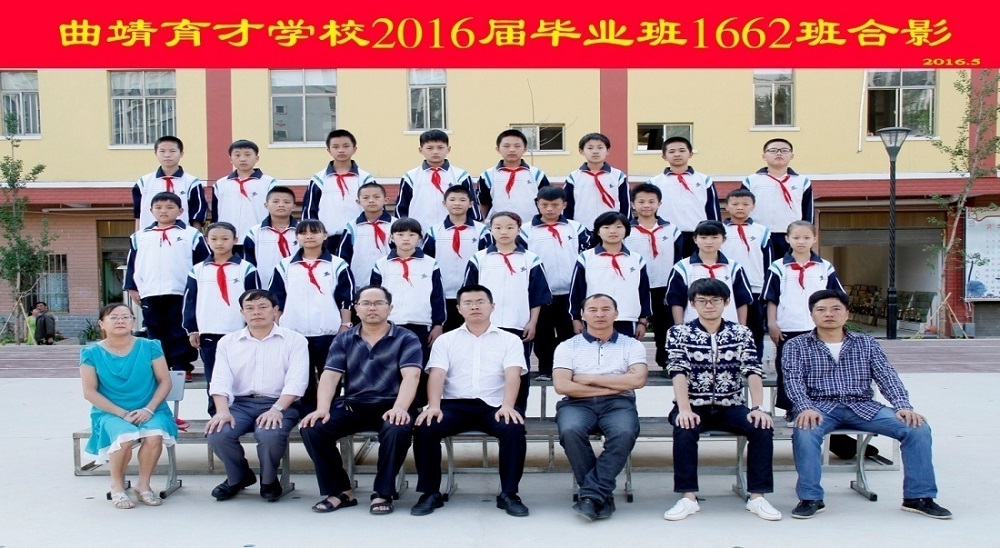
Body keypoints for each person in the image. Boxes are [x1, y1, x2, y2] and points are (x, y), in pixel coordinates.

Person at [783, 290, 952, 520]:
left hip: (862, 406)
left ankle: (919, 497)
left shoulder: (866, 343)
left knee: (917, 428)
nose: (829, 314)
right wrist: (804, 407)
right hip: (819, 407)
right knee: (805, 431)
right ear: (812, 315)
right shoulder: (796, 345)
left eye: (835, 309)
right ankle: (810, 498)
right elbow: (792, 380)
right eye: (821, 310)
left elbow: (887, 376)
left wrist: (902, 405)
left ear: (847, 314)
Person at [663, 278, 781, 522]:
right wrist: (684, 408)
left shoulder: (741, 332)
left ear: (726, 302)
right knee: (684, 428)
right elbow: (677, 371)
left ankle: (757, 496)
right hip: (693, 405)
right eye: (702, 301)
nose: (709, 306)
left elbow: (752, 370)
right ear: (692, 304)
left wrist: (758, 408)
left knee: (761, 426)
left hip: (732, 405)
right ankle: (688, 497)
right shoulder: (679, 332)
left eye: (715, 300)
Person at [299, 286, 424, 515]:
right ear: (356, 308)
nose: (372, 308)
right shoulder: (344, 339)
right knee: (313, 427)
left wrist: (400, 408)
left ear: (390, 308)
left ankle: (383, 492)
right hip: (354, 405)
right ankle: (340, 491)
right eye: (365, 303)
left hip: (393, 404)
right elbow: (330, 376)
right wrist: (322, 408)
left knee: (397, 427)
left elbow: (412, 376)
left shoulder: (406, 338)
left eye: (378, 303)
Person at [410, 285, 529, 517]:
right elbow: (437, 375)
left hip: (494, 406)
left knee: (513, 427)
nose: (475, 307)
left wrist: (508, 406)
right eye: (468, 303)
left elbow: (513, 375)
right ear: (458, 308)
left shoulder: (510, 340)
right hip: (454, 405)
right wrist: (433, 406)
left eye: (480, 302)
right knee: (426, 426)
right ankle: (430, 493)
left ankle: (509, 494)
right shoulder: (445, 340)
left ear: (492, 306)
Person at [204, 289, 309, 502]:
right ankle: (238, 476)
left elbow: (297, 381)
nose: (256, 312)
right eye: (250, 308)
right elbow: (220, 380)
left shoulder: (295, 340)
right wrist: (222, 411)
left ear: (275, 310)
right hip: (240, 404)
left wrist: (277, 409)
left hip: (280, 403)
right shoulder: (228, 342)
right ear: (242, 312)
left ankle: (269, 480)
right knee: (218, 433)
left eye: (263, 307)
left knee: (269, 434)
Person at [553, 294, 647, 521]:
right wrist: (615, 384)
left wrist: (590, 379)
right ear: (583, 315)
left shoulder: (631, 345)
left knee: (624, 432)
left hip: (618, 404)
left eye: (606, 309)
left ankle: (591, 496)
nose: (599, 314)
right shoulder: (568, 346)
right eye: (593, 310)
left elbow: (638, 380)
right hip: (576, 403)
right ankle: (599, 495)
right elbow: (562, 386)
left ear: (616, 314)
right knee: (570, 430)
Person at [80, 303, 178, 509]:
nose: (120, 321)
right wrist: (122, 413)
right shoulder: (91, 353)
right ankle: (117, 486)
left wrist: (148, 409)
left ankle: (143, 485)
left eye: (126, 316)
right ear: (101, 324)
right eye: (114, 317)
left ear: (134, 321)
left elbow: (165, 382)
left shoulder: (150, 346)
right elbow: (90, 392)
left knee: (154, 435)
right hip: (111, 412)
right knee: (124, 437)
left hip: (151, 409)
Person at [465, 211, 552, 411]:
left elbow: (537, 294)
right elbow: (468, 294)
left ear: (519, 230)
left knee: (518, 371)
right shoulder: (479, 259)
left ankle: (517, 412)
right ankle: (488, 413)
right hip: (486, 326)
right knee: (486, 370)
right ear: (490, 230)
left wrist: (532, 322)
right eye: (498, 227)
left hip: (518, 325)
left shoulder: (531, 259)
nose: (504, 232)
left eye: (510, 227)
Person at [268, 219, 355, 412]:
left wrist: (345, 325)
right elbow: (277, 298)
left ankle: (329, 412)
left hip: (328, 331)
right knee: (301, 376)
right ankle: (306, 414)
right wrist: (278, 326)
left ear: (324, 235)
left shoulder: (337, 264)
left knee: (329, 374)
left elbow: (345, 297)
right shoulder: (284, 265)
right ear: (296, 237)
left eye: (314, 232)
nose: (309, 236)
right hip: (294, 332)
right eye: (303, 233)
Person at [124, 192, 210, 382]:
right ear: (151, 211)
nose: (164, 211)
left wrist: (200, 288)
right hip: (150, 291)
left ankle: (181, 366)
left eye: (170, 207)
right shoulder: (140, 236)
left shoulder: (191, 234)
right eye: (159, 207)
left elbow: (203, 262)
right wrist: (132, 287)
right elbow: (132, 264)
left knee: (180, 329)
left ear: (180, 210)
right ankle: (160, 366)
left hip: (181, 291)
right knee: (155, 330)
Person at [762, 221, 844, 415]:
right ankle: (792, 409)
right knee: (789, 369)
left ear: (814, 239)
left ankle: (819, 406)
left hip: (818, 328)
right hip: (788, 327)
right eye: (796, 237)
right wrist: (772, 324)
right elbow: (771, 298)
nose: (801, 241)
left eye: (806, 237)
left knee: (819, 367)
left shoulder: (824, 267)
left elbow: (837, 297)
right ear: (787, 239)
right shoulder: (778, 267)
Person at [182, 222, 259, 415]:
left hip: (239, 331)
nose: (219, 243)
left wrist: (254, 328)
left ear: (235, 240)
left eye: (225, 238)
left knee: (243, 375)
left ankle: (242, 413)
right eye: (214, 239)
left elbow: (255, 300)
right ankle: (216, 414)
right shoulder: (198, 270)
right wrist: (192, 329)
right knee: (214, 376)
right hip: (209, 331)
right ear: (206, 240)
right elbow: (190, 300)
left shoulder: (246, 269)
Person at [525, 186, 592, 381]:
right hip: (541, 293)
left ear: (564, 205)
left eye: (555, 205)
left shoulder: (576, 228)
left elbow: (587, 255)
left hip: (570, 292)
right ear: (537, 204)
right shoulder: (526, 231)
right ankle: (546, 369)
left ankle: (568, 369)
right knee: (543, 333)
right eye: (544, 205)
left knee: (569, 332)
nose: (549, 209)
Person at [623, 183, 683, 371]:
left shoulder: (672, 230)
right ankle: (628, 364)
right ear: (633, 204)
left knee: (665, 325)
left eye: (651, 201)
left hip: (664, 285)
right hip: (635, 286)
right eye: (641, 201)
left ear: (659, 204)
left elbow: (679, 258)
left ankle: (667, 363)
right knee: (630, 325)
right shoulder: (625, 229)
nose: (646, 205)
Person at [370, 218, 446, 365]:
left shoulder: (431, 264)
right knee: (389, 367)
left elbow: (437, 296)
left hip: (421, 324)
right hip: (389, 324)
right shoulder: (381, 264)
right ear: (392, 237)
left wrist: (438, 325)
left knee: (418, 366)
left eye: (412, 235)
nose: (406, 238)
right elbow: (374, 296)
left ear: (420, 238)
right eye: (400, 234)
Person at [569, 211, 651, 339]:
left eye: (618, 227)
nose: (612, 231)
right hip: (594, 318)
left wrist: (643, 320)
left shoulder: (636, 259)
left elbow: (644, 291)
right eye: (606, 227)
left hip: (627, 317)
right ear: (598, 231)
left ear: (626, 231)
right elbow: (577, 290)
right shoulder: (586, 258)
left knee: (625, 351)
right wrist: (576, 318)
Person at [422, 185, 490, 332]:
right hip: (442, 293)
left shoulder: (481, 231)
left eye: (462, 200)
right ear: (444, 203)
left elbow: (487, 260)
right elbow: (426, 261)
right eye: (452, 199)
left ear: (471, 204)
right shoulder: (434, 231)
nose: (457, 203)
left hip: (473, 295)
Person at [666, 220, 753, 326]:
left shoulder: (734, 267)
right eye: (703, 237)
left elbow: (742, 299)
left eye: (714, 237)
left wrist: (742, 327)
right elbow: (676, 300)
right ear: (695, 239)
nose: (709, 242)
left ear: (723, 239)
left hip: (729, 327)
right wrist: (679, 327)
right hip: (692, 327)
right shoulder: (682, 268)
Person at [303, 129, 376, 254]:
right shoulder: (319, 179)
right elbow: (310, 210)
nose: (341, 150)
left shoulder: (365, 179)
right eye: (335, 147)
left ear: (354, 149)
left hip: (359, 237)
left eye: (346, 146)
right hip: (328, 239)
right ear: (329, 150)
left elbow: (376, 207)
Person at [720, 188, 772, 361]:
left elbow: (768, 261)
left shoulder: (762, 231)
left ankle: (754, 363)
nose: (740, 207)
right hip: (725, 287)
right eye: (735, 204)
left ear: (753, 206)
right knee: (726, 327)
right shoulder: (719, 230)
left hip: (755, 286)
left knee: (754, 328)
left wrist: (766, 289)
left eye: (745, 204)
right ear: (727, 206)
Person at [646, 136, 720, 257]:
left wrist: (716, 231)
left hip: (698, 234)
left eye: (682, 150)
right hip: (666, 234)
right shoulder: (654, 182)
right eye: (671, 151)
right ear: (664, 156)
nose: (677, 154)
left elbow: (712, 209)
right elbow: (649, 210)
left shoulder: (704, 180)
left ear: (690, 154)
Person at [395, 129, 481, 232]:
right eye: (429, 148)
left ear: (448, 149)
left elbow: (472, 205)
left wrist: (473, 228)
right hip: (419, 232)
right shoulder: (411, 177)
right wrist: (404, 230)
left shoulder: (460, 176)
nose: (435, 152)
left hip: (453, 231)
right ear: (420, 150)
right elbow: (402, 207)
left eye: (440, 147)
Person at [740, 138, 813, 258]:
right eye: (773, 150)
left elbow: (807, 210)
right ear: (764, 156)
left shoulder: (802, 181)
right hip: (758, 234)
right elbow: (741, 208)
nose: (779, 153)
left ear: (792, 155)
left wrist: (805, 234)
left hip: (791, 235)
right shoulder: (751, 181)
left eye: (784, 150)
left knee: (788, 267)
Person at [210, 139, 276, 252]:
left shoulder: (269, 183)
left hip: (259, 239)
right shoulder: (220, 184)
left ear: (257, 158)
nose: (242, 159)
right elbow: (215, 214)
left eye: (247, 154)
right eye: (237, 155)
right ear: (230, 159)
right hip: (228, 240)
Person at [132, 135, 206, 231]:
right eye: (162, 151)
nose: (167, 155)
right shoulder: (144, 182)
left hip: (182, 235)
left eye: (172, 151)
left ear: (181, 153)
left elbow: (197, 214)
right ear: (156, 153)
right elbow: (138, 213)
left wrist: (196, 236)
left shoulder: (191, 182)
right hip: (150, 234)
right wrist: (137, 236)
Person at [477, 128, 551, 222]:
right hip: (498, 227)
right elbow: (483, 203)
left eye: (517, 146)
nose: (512, 150)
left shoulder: (537, 174)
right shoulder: (488, 175)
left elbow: (547, 201)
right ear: (498, 149)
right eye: (506, 146)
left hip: (530, 225)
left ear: (525, 149)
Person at [563, 133, 630, 230]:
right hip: (582, 230)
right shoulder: (573, 177)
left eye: (600, 148)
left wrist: (624, 228)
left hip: (611, 230)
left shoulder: (618, 176)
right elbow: (567, 206)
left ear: (608, 150)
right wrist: (570, 229)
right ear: (581, 151)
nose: (595, 152)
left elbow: (626, 205)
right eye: (590, 148)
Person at [337, 182, 394, 287]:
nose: (371, 200)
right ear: (358, 202)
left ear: (386, 200)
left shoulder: (395, 225)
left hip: (390, 280)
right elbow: (343, 256)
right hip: (360, 281)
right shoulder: (352, 227)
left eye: (376, 197)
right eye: (366, 198)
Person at [244, 185, 299, 290]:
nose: (281, 205)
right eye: (275, 201)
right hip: (264, 286)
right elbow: (249, 262)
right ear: (266, 205)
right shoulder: (255, 232)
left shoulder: (303, 231)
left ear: (294, 206)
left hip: (296, 284)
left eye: (286, 202)